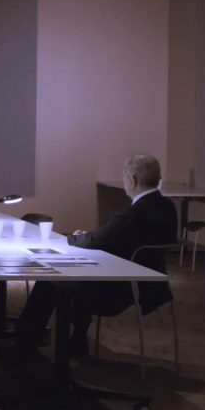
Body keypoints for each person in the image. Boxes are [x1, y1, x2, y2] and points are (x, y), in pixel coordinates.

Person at [16, 153, 178, 357]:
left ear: (132, 180)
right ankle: (76, 340)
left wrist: (73, 237)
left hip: (118, 288)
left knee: (51, 280)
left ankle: (27, 342)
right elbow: (112, 238)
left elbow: (96, 241)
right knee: (71, 280)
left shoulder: (132, 215)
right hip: (152, 286)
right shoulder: (168, 207)